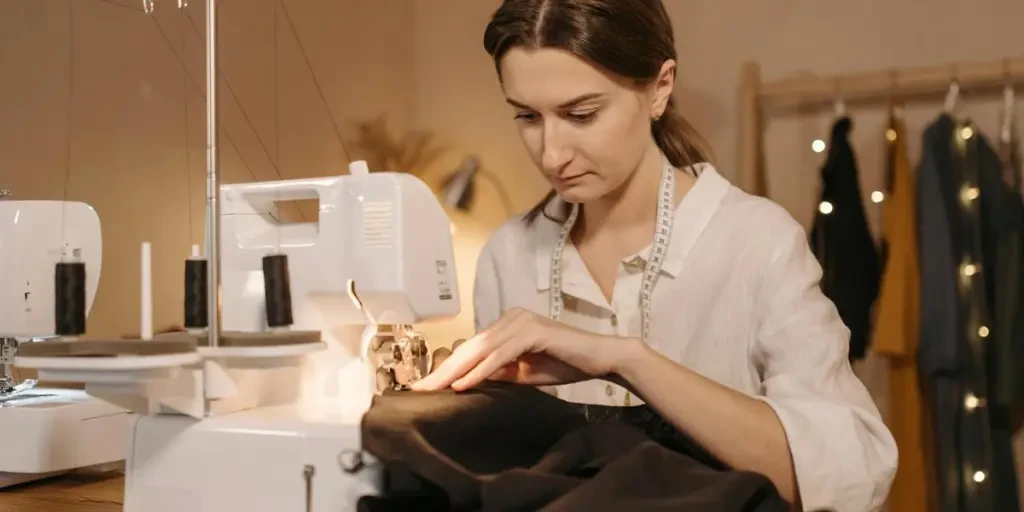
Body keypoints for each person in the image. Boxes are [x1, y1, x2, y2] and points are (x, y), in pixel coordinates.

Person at [412, 0, 898, 510]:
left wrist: (624, 360)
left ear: (660, 88)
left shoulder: (756, 242)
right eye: (528, 116)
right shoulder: (507, 256)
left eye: (581, 114)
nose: (552, 153)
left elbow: (851, 471)